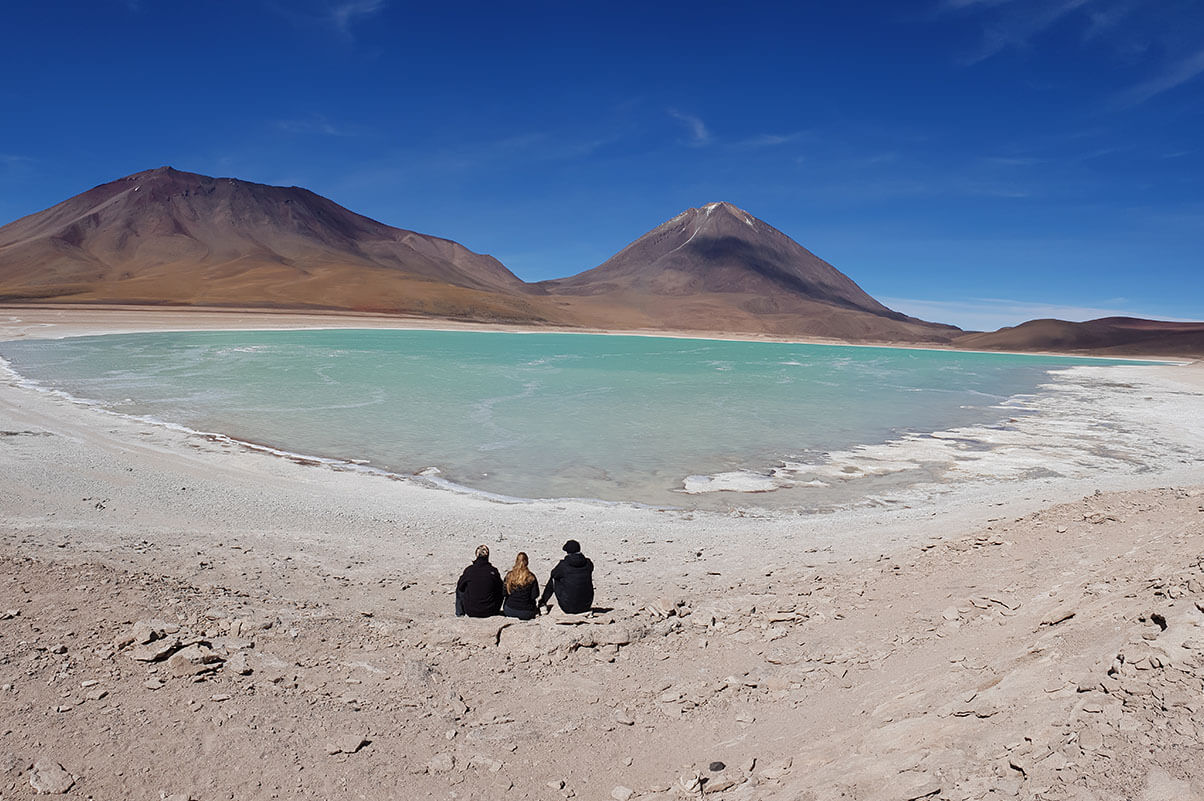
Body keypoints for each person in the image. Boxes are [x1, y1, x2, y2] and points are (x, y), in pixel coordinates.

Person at [539, 539, 594, 614]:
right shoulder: (588, 563)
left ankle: (543, 602)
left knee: (554, 579)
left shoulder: (564, 565)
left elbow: (553, 574)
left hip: (568, 607)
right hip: (586, 605)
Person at [455, 544, 504, 617]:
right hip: (490, 611)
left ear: (476, 555)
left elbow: (460, 586)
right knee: (499, 588)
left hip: (471, 611)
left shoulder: (469, 570)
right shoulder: (493, 571)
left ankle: (460, 613)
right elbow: (501, 588)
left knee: (461, 588)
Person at [501, 552, 540, 620]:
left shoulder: (509, 576)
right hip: (526, 611)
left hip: (509, 610)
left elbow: (504, 593)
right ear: (527, 562)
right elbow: (535, 595)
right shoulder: (531, 577)